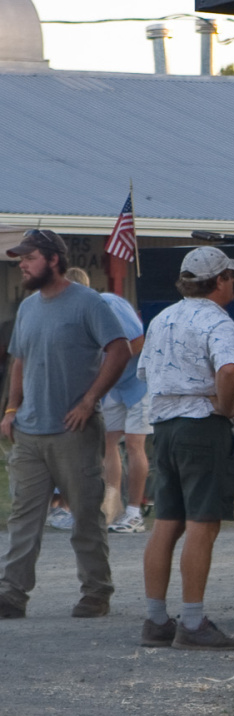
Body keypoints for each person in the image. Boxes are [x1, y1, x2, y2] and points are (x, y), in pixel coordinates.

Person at [0, 230, 130, 620]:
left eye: (29, 257)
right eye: (20, 258)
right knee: (23, 516)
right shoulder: (28, 307)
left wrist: (90, 401)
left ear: (53, 259)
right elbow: (19, 359)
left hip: (74, 431)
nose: (22, 264)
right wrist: (10, 410)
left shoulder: (88, 302)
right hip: (29, 432)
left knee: (85, 513)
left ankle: (96, 592)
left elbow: (119, 349)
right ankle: (11, 594)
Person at [136, 246, 234, 650]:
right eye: (230, 276)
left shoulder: (163, 318)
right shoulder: (218, 321)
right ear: (218, 281)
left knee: (167, 521)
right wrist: (225, 402)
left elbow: (147, 370)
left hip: (163, 425)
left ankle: (155, 619)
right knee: (204, 522)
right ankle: (194, 622)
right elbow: (230, 368)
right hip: (201, 425)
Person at [99, 290, 152, 534]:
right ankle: (113, 506)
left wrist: (116, 361)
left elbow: (141, 339)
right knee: (108, 443)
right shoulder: (76, 311)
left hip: (139, 382)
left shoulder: (109, 303)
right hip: (113, 385)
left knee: (133, 444)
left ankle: (134, 513)